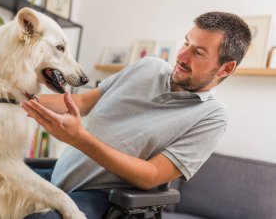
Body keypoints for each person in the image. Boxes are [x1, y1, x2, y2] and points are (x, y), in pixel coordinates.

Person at [20, 11, 252, 219]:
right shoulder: (147, 66)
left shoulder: (212, 116)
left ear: (225, 68)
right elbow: (80, 102)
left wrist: (79, 139)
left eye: (198, 52)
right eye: (186, 43)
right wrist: (12, 100)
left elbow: (150, 176)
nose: (182, 56)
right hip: (58, 175)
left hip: (103, 198)